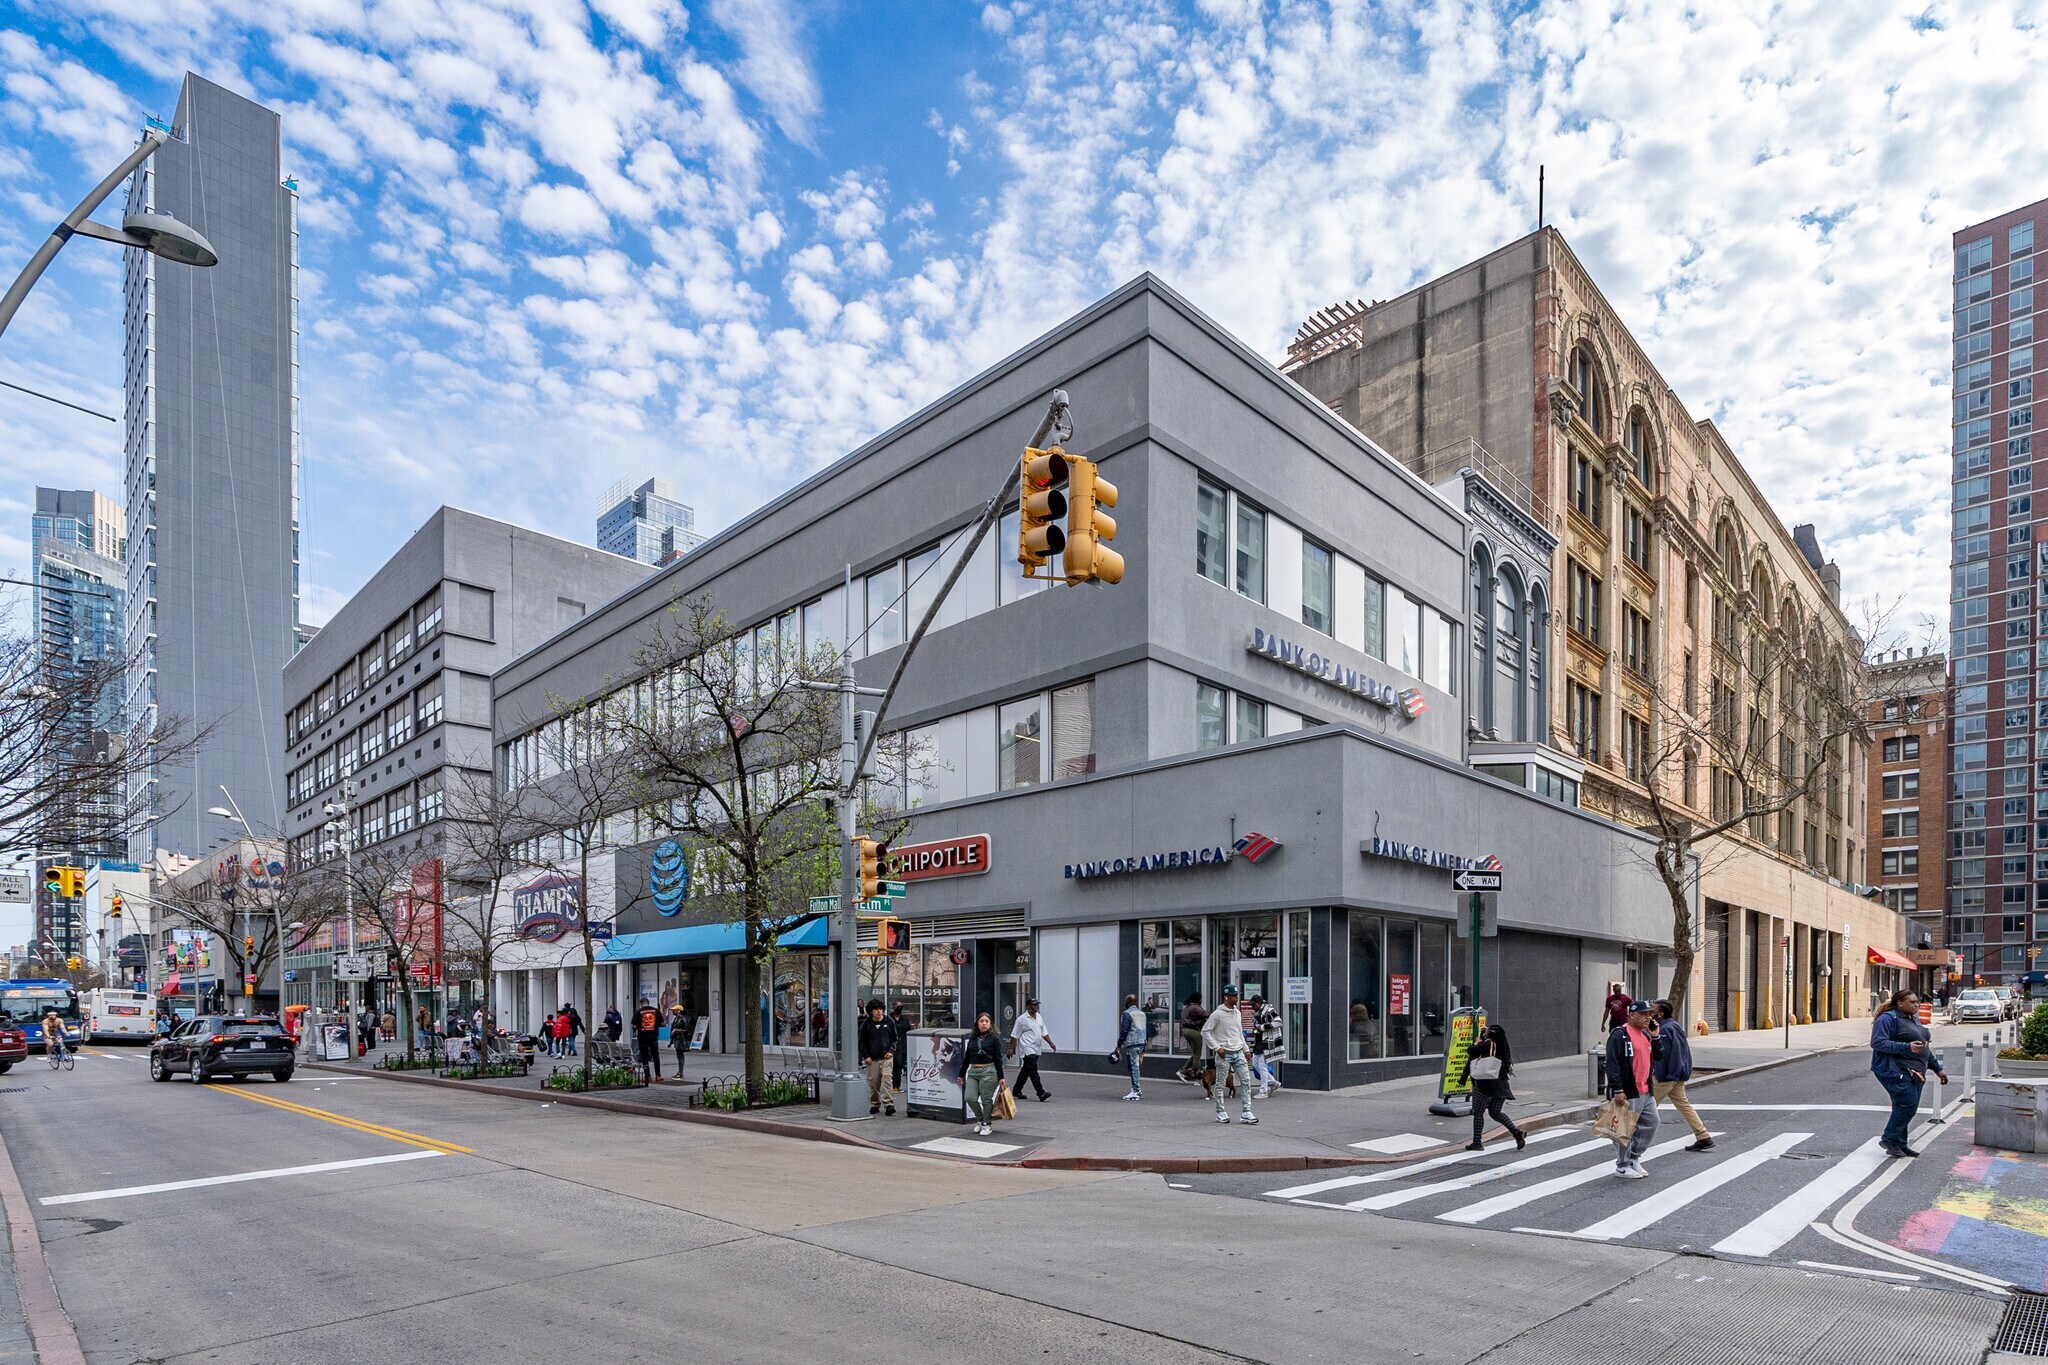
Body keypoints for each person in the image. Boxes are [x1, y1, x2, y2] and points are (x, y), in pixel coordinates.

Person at [1872, 989, 1942, 1157]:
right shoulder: (1888, 1019)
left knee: (1902, 1106)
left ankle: (1899, 1144)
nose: (1916, 1005)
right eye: (1912, 1002)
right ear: (1900, 1003)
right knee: (1908, 1104)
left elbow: (1924, 1047)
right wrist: (1906, 1047)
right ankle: (1889, 1138)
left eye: (1917, 1001)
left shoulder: (1913, 1019)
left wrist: (1937, 1068)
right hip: (1894, 1070)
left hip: (1915, 1071)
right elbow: (1877, 1042)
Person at [1604, 998, 1662, 1178]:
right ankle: (1622, 1165)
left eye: (1649, 1014)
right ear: (1632, 1015)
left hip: (1645, 1090)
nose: (1647, 1018)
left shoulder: (1645, 1035)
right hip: (1628, 1090)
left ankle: (1633, 1157)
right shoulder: (1619, 1034)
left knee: (1652, 1122)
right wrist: (1618, 1089)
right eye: (1643, 1014)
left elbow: (1658, 1056)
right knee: (1623, 1129)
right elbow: (1612, 1064)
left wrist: (1656, 1036)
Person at [1651, 1000, 1712, 1152]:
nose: (1649, 1013)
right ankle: (1703, 1135)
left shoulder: (1665, 1030)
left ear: (1660, 1014)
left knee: (1647, 1107)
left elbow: (1667, 1055)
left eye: (1652, 1010)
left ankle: (1629, 1138)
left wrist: (1667, 1074)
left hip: (1665, 1076)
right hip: (1675, 1075)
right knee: (1684, 1106)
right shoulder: (1673, 1026)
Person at [1201, 985, 1257, 1125]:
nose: (1236, 998)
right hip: (1224, 1054)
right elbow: (1205, 1031)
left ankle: (1246, 1111)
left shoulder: (1237, 1013)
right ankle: (1220, 1112)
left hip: (1238, 1052)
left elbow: (1239, 1033)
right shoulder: (1217, 1014)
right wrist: (1217, 1048)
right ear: (1226, 997)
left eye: (1237, 995)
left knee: (1246, 1081)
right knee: (1220, 1083)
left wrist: (1245, 1049)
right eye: (1233, 996)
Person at [1466, 1022, 1526, 1151]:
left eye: (1487, 1030)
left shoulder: (1487, 1044)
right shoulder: (1501, 1045)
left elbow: (1472, 1051)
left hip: (1486, 1085)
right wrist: (1484, 1035)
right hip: (1502, 1086)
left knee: (1478, 1112)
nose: (1485, 1030)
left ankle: (1477, 1142)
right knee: (1495, 1112)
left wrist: (1477, 1042)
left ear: (1491, 1034)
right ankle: (1516, 1133)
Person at [961, 1011, 1005, 1136]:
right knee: (969, 1097)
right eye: (981, 1021)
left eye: (986, 1021)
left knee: (986, 1099)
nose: (984, 1024)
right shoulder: (973, 1038)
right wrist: (961, 1074)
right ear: (977, 1024)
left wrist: (1001, 1077)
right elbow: (967, 1057)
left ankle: (987, 1124)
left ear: (990, 1024)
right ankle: (979, 1119)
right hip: (973, 1071)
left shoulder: (994, 1039)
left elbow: (998, 1058)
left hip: (989, 1071)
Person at [1009, 997, 1055, 1101]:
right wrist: (1010, 1049)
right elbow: (1014, 1035)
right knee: (1033, 1070)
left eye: (1037, 1005)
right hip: (1027, 1048)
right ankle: (1040, 1093)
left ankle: (1016, 1091)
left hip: (1036, 1048)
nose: (1036, 1007)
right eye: (1034, 1005)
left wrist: (1050, 1043)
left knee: (1026, 1070)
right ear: (1028, 1006)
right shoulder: (1022, 1019)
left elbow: (1044, 1032)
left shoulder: (1039, 1017)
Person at [858, 999, 896, 1117]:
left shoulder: (889, 1021)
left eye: (880, 1009)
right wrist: (866, 1056)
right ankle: (875, 1104)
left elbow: (894, 1038)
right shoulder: (867, 1024)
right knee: (873, 1083)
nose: (879, 1012)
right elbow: (862, 1041)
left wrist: (891, 1050)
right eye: (876, 1010)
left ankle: (889, 1105)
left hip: (886, 1057)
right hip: (872, 1058)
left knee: (887, 1080)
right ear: (871, 1011)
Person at [1249, 994, 1283, 1099]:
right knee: (1255, 1063)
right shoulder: (1257, 1013)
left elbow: (1278, 1022)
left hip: (1267, 1041)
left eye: (1253, 1004)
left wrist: (1262, 1027)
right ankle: (1273, 1082)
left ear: (1259, 1003)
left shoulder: (1269, 1010)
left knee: (1262, 1066)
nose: (1252, 1007)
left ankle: (1263, 1091)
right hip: (1259, 1041)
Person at [1115, 992, 1147, 1100]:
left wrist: (1119, 1045)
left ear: (1128, 1002)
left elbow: (1124, 1030)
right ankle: (1135, 1090)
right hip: (1141, 1042)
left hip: (1132, 1043)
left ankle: (1136, 1091)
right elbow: (1145, 1029)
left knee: (1133, 1067)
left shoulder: (1127, 1014)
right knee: (1134, 1066)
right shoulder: (1142, 1013)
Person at [1177, 993, 1209, 1086]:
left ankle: (1182, 1071)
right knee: (1197, 1055)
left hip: (1186, 1031)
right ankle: (1196, 1076)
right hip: (1194, 1031)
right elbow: (1206, 1014)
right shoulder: (1195, 1007)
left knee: (1195, 1053)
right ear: (1198, 999)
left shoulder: (1186, 1007)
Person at [632, 997, 662, 1081]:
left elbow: (633, 1025)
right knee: (656, 1056)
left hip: (642, 1038)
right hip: (653, 1037)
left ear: (641, 1003)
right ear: (648, 1002)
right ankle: (658, 1075)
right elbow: (662, 1023)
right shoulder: (656, 1011)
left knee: (644, 1056)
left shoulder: (638, 1012)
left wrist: (639, 1026)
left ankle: (647, 1076)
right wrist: (655, 1026)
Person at [890, 1002, 911, 1095]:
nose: (900, 1008)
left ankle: (897, 1086)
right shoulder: (888, 1019)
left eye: (901, 1007)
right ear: (893, 1007)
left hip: (903, 1046)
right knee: (894, 1067)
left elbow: (909, 1031)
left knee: (900, 1067)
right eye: (898, 1006)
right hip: (893, 1047)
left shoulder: (905, 1019)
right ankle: (893, 1086)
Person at [670, 1005, 690, 1080]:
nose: (672, 1011)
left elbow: (686, 1031)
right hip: (677, 1040)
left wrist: (676, 1031)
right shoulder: (676, 1019)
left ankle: (681, 1073)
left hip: (681, 1040)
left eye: (674, 1010)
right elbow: (672, 1030)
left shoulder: (682, 1019)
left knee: (680, 1056)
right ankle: (680, 1072)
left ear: (678, 1011)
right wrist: (671, 1041)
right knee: (679, 1056)